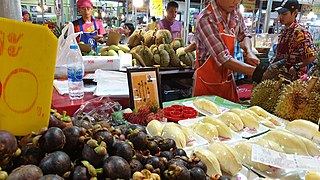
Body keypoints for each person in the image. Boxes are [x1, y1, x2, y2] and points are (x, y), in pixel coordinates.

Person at [193, 0, 284, 103]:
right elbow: (224, 58)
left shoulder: (235, 13)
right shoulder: (206, 19)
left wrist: (249, 52)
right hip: (207, 86)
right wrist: (258, 73)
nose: (236, 2)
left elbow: (244, 35)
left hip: (227, 83)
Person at [273, 0, 317, 79]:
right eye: (279, 13)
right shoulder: (284, 31)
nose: (280, 17)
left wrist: (296, 67)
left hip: (294, 80)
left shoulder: (300, 32)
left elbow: (312, 56)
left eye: (284, 14)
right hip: (280, 75)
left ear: (295, 13)